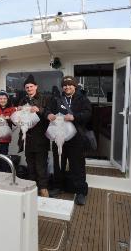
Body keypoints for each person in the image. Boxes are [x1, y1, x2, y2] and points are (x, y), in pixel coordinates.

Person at [46, 76, 92, 205]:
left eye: (70, 85)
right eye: (65, 85)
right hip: (58, 136)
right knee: (58, 162)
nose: (67, 87)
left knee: (77, 165)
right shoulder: (56, 98)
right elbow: (48, 110)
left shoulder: (82, 99)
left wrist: (74, 117)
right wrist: (48, 115)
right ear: (62, 87)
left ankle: (81, 192)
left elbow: (88, 114)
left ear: (74, 86)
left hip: (76, 138)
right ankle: (57, 187)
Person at [18, 74, 50, 197]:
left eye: (31, 86)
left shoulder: (44, 99)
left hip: (41, 138)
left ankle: (43, 188)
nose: (29, 89)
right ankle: (32, 188)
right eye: (27, 87)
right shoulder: (23, 100)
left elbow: (49, 113)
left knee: (41, 165)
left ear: (36, 87)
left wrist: (39, 110)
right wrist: (19, 109)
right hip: (27, 139)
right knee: (30, 164)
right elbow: (18, 117)